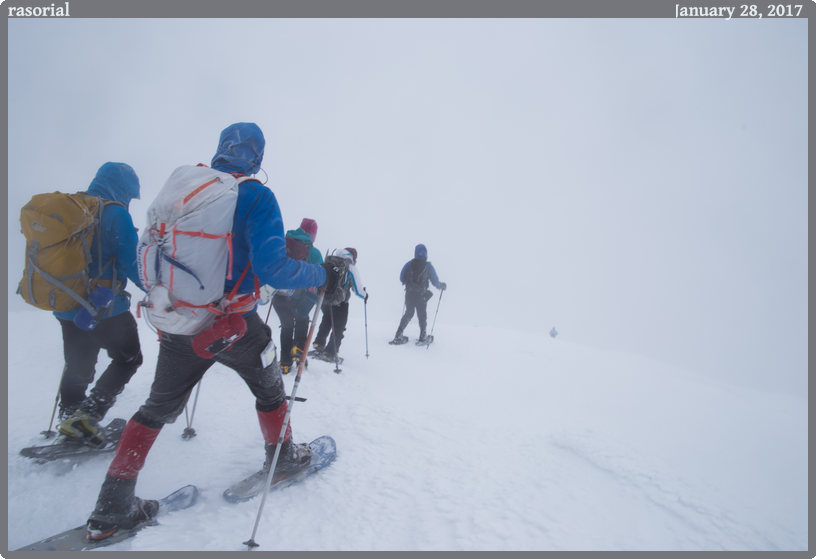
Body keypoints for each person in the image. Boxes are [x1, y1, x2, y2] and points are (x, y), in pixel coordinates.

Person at [85, 123, 340, 541]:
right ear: (257, 158)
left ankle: (111, 508)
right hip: (233, 324)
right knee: (270, 389)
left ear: (221, 150)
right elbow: (272, 267)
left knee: (155, 408)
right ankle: (284, 457)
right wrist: (319, 273)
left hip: (180, 322)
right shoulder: (256, 194)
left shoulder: (189, 186)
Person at [53, 162, 145, 448]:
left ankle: (70, 418)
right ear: (124, 189)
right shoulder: (115, 213)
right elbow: (134, 264)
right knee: (129, 358)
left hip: (67, 304)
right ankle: (86, 417)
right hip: (105, 308)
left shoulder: (73, 206)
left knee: (79, 363)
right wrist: (160, 292)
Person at [271, 218, 323, 373]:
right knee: (302, 320)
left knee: (286, 327)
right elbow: (322, 276)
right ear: (313, 235)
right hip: (299, 299)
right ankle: (299, 351)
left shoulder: (283, 244)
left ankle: (285, 364)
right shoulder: (313, 252)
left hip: (278, 297)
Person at [312, 248, 368, 362]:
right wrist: (365, 295)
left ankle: (319, 344)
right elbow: (357, 290)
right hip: (340, 302)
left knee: (326, 320)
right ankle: (330, 353)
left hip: (325, 299)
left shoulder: (329, 262)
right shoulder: (350, 267)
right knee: (338, 327)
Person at [391, 244, 446, 344]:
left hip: (409, 293)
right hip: (422, 295)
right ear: (425, 254)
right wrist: (441, 285)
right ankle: (423, 337)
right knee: (422, 315)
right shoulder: (428, 265)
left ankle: (398, 335)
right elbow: (435, 281)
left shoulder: (409, 264)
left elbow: (401, 278)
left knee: (409, 313)